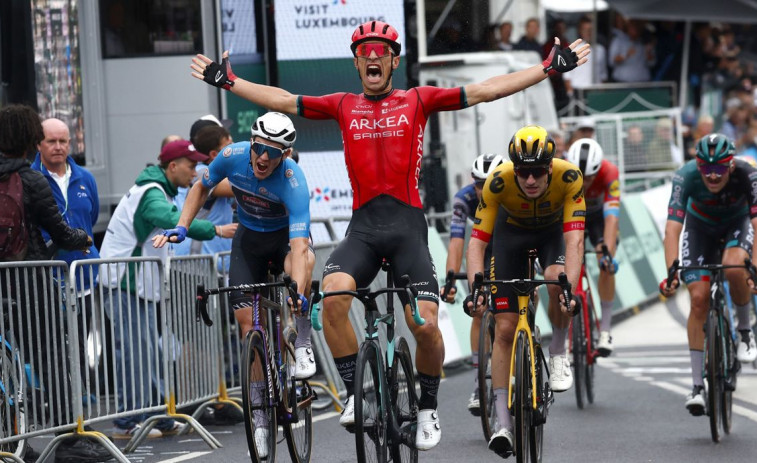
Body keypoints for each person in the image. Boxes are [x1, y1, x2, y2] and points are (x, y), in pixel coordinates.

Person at [190, 20, 589, 451]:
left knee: (426, 326)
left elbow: (486, 89)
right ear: (357, 63)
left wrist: (547, 68)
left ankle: (428, 408)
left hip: (406, 229)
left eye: (381, 50)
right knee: (333, 300)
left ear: (394, 60)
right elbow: (284, 99)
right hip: (362, 228)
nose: (373, 57)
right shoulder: (343, 104)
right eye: (365, 52)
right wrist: (228, 81)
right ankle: (355, 393)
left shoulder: (416, 100)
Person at [153, 113, 315, 457]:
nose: (263, 158)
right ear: (251, 144)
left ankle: (301, 338)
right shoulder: (232, 156)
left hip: (285, 240)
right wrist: (184, 225)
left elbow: (299, 248)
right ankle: (259, 422)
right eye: (259, 149)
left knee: (303, 264)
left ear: (285, 155)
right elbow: (201, 186)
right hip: (249, 243)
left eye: (273, 153)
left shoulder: (293, 181)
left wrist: (297, 292)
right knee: (248, 328)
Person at [98, 139, 231, 439]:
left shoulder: (159, 190)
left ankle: (157, 416)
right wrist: (216, 229)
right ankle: (127, 422)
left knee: (150, 351)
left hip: (137, 284)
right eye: (191, 164)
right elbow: (173, 222)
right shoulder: (153, 194)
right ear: (172, 166)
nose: (195, 171)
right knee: (134, 352)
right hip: (124, 282)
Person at [466, 125, 585, 457]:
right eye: (523, 172)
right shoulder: (499, 182)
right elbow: (477, 244)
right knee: (504, 327)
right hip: (511, 237)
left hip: (552, 235)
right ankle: (503, 423)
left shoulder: (570, 177)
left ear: (549, 167)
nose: (530, 180)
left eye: (536, 172)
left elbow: (574, 240)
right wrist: (476, 288)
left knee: (555, 279)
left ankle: (559, 352)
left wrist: (570, 291)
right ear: (514, 169)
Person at [0, 105, 100, 462]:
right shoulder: (31, 179)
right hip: (29, 283)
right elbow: (60, 232)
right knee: (52, 360)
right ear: (31, 138)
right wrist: (82, 239)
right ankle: (68, 442)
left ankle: (10, 443)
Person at [659, 133, 757, 417]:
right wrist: (671, 273)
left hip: (736, 225)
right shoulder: (685, 176)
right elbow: (672, 229)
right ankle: (696, 386)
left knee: (735, 267)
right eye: (706, 169)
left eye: (718, 169)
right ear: (697, 166)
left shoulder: (748, 173)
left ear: (731, 165)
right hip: (699, 228)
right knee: (699, 299)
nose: (712, 176)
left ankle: (745, 332)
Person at [440, 153, 504, 416]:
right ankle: (480, 384)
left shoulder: (511, 192)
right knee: (478, 307)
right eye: (479, 184)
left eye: (489, 183)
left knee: (524, 295)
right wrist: (451, 278)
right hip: (480, 248)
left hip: (508, 244)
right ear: (472, 182)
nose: (483, 190)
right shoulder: (464, 199)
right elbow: (457, 240)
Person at [565, 138, 621, 356]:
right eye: (580, 176)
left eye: (589, 177)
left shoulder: (610, 172)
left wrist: (607, 251)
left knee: (605, 262)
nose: (585, 182)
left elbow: (612, 217)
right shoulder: (560, 170)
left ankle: (605, 330)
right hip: (570, 216)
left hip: (598, 219)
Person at [172, 124, 235, 266]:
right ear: (214, 154)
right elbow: (237, 186)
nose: (234, 150)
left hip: (217, 262)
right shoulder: (201, 172)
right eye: (229, 147)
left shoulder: (220, 173)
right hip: (200, 265)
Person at [564, 16, 607, 92]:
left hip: (596, 90)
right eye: (585, 29)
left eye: (591, 29)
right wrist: (570, 94)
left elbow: (603, 74)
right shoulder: (573, 49)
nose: (588, 32)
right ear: (580, 31)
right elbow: (567, 74)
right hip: (578, 90)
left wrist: (602, 92)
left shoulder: (600, 49)